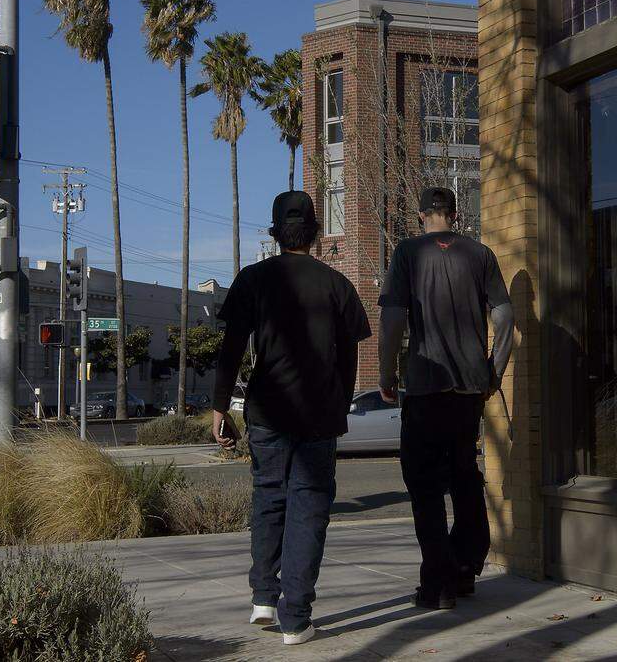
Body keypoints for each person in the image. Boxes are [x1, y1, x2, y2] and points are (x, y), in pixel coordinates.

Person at [211, 191, 370, 645]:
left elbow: (231, 350)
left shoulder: (253, 279)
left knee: (269, 498)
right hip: (319, 414)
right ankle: (295, 619)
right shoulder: (337, 284)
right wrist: (339, 406)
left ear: (276, 232)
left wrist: (219, 407)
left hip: (267, 410)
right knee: (309, 509)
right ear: (315, 233)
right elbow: (349, 359)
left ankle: (263, 598)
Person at [378, 187, 515, 609]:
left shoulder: (407, 253)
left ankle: (438, 583)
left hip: (426, 386)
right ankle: (464, 567)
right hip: (469, 388)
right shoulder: (480, 255)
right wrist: (494, 371)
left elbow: (392, 318)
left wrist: (387, 373)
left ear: (421, 215)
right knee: (464, 476)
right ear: (455, 215)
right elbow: (505, 316)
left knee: (424, 487)